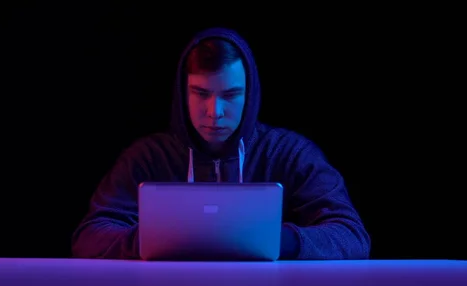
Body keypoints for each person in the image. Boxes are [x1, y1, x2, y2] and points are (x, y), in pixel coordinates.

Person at [71, 27, 371, 260]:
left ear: (249, 95)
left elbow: (351, 235)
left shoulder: (290, 154)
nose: (214, 112)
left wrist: (274, 240)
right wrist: (153, 240)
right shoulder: (147, 158)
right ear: (182, 92)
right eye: (201, 93)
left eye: (230, 95)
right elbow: (88, 236)